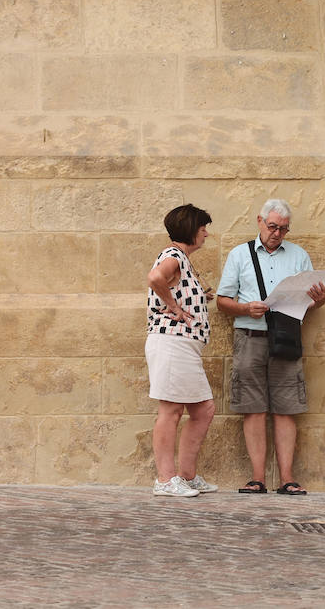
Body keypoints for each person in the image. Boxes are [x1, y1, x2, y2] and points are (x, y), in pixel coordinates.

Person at [215, 198, 325, 495]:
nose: (277, 233)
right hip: (249, 337)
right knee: (252, 408)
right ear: (260, 222)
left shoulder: (299, 255)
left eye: (284, 229)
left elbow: (311, 302)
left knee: (286, 407)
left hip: (286, 336)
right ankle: (257, 479)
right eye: (273, 226)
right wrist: (244, 309)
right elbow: (222, 301)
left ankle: (287, 478)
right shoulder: (240, 255)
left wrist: (319, 299)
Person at [145, 203, 218, 498]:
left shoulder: (182, 259)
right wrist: (173, 306)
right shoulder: (173, 255)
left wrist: (199, 298)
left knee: (203, 409)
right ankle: (165, 479)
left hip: (185, 345)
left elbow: (174, 286)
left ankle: (186, 476)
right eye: (203, 229)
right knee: (172, 410)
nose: (206, 235)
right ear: (191, 230)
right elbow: (155, 278)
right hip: (172, 342)